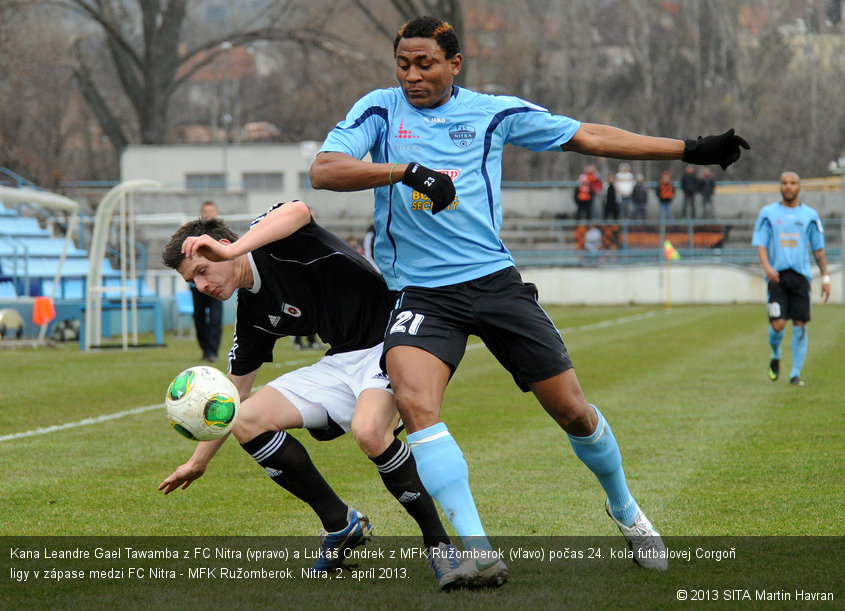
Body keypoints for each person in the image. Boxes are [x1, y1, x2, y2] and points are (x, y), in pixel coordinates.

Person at [309, 15, 749, 586]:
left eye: (425, 64)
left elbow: (586, 135)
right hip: (420, 293)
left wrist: (689, 149)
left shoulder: (492, 113)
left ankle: (624, 509)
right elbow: (324, 170)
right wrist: (405, 171)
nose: (412, 76)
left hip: (494, 283)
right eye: (403, 64)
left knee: (572, 411)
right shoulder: (379, 111)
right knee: (418, 409)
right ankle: (477, 548)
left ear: (454, 64)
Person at [158, 201, 474, 591]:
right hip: (343, 358)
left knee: (370, 432)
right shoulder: (253, 313)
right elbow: (231, 396)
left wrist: (236, 249)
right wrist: (198, 462)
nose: (203, 285)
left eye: (203, 270)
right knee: (246, 418)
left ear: (222, 245)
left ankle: (440, 545)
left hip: (394, 339)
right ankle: (340, 523)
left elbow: (299, 210)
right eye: (194, 282)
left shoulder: (272, 240)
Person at [751, 172, 830, 386]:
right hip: (776, 277)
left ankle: (795, 373)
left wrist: (825, 277)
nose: (788, 186)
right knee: (777, 325)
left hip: (801, 278)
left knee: (800, 325)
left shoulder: (810, 215)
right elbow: (761, 243)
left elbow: (818, 248)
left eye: (792, 183)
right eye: (784, 183)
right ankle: (776, 355)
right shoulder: (768, 213)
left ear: (799, 187)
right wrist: (767, 267)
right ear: (780, 186)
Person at [190, 200, 224, 362]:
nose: (209, 214)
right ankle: (205, 350)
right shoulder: (194, 233)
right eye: (206, 211)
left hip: (217, 283)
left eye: (211, 211)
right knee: (199, 317)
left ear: (216, 213)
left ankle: (213, 352)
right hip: (197, 285)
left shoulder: (222, 234)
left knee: (216, 318)